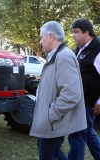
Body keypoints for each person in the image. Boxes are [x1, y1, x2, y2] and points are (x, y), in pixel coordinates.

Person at [29, 21, 87, 160]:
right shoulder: (57, 55)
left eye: (42, 37)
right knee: (49, 152)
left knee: (47, 155)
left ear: (51, 36)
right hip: (51, 122)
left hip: (53, 122)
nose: (41, 42)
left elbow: (71, 94)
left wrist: (51, 116)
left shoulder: (63, 56)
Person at [69, 18, 100, 160]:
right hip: (79, 100)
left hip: (88, 102)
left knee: (76, 136)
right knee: (87, 132)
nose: (73, 36)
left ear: (86, 32)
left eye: (76, 32)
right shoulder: (79, 49)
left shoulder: (98, 49)